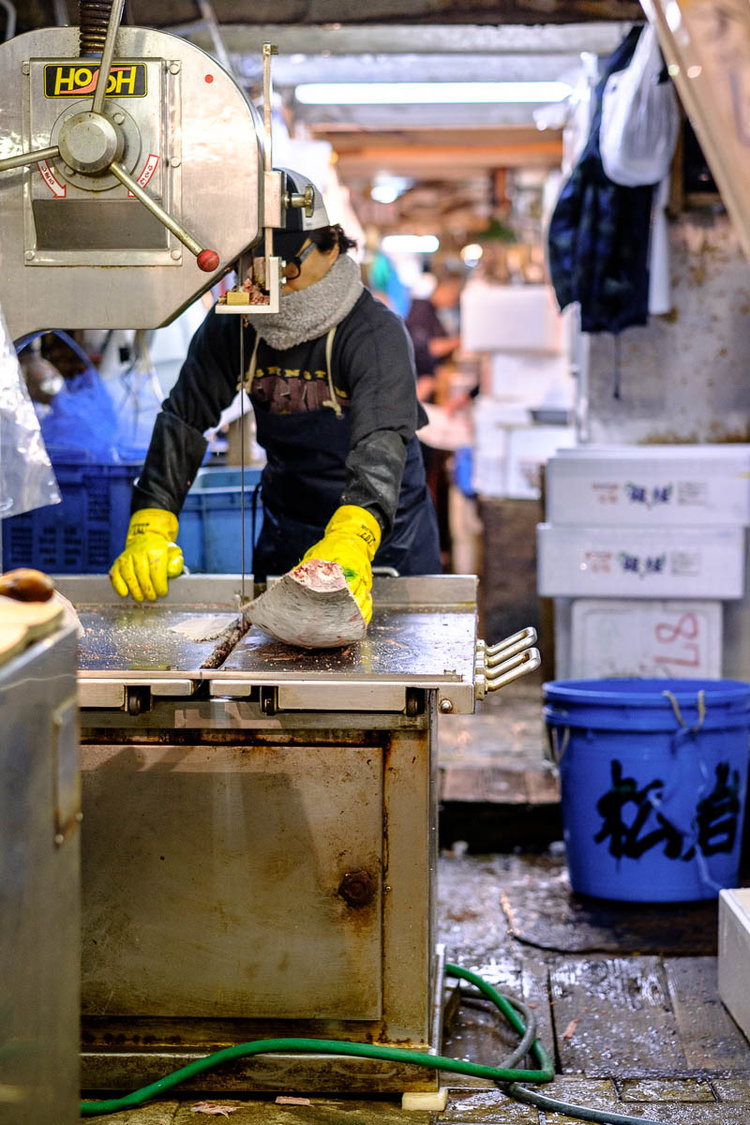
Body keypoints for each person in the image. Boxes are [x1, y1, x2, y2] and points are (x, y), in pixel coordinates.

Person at [109, 169, 441, 626]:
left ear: (329, 245)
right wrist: (151, 519)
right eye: (253, 263)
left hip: (383, 541)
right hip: (289, 526)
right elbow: (185, 418)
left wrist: (351, 538)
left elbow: (381, 446)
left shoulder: (373, 333)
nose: (268, 281)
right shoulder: (239, 325)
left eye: (282, 265)